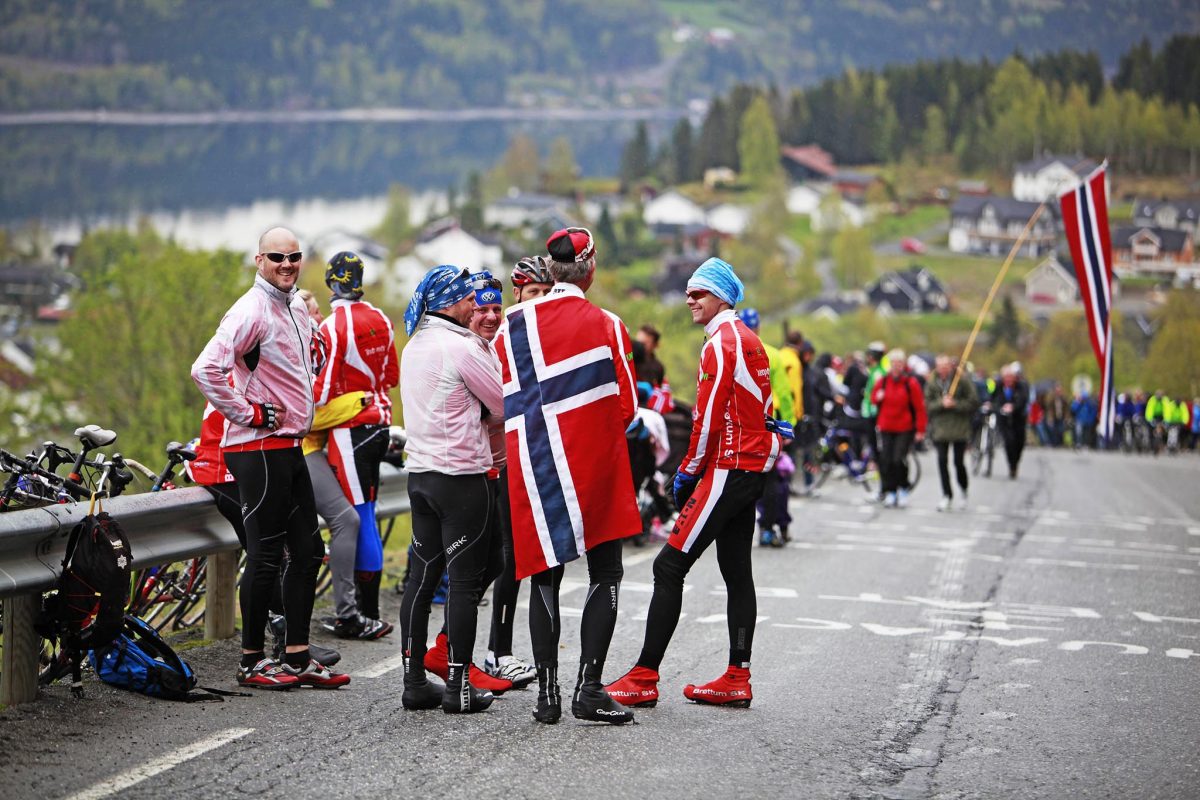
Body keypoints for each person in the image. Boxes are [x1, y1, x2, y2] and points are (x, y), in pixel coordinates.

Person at [605, 257, 788, 710]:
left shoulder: (720, 342)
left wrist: (687, 471)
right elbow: (762, 406)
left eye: (699, 292)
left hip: (728, 466)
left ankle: (645, 676)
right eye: (688, 291)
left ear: (722, 297)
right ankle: (736, 676)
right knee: (736, 571)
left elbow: (706, 417)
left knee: (668, 567)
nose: (690, 298)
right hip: (750, 467)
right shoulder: (748, 338)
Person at [494, 226, 642, 725]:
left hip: (536, 468)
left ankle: (548, 695)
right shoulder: (608, 323)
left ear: (550, 271)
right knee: (606, 573)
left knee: (545, 577)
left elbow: (502, 403)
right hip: (595, 466)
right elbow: (627, 406)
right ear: (591, 268)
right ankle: (590, 688)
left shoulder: (511, 325)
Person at [191, 227, 349, 690]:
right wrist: (250, 412)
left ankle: (297, 656)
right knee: (264, 557)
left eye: (295, 256)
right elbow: (206, 369)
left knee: (307, 549)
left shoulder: (296, 305)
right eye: (277, 257)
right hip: (256, 447)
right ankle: (252, 661)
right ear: (259, 260)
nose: (287, 263)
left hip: (289, 445)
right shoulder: (252, 309)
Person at [398, 264, 504, 714]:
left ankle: (414, 681)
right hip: (461, 478)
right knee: (462, 585)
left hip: (419, 476)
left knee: (420, 580)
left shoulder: (415, 344)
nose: (473, 306)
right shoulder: (461, 347)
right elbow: (503, 404)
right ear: (451, 303)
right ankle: (459, 688)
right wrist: (480, 416)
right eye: (467, 299)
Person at [312, 252, 398, 639]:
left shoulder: (333, 326)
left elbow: (323, 389)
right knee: (368, 512)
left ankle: (362, 613)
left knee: (357, 516)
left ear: (332, 282)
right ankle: (368, 610)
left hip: (350, 430)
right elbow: (391, 374)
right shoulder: (380, 318)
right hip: (381, 424)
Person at [737, 308, 795, 546]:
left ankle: (742, 530)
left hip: (741, 425)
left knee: (742, 479)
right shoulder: (772, 354)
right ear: (759, 328)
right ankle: (770, 527)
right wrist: (790, 426)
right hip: (769, 424)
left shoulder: (732, 351)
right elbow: (784, 393)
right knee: (771, 478)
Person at [871, 348, 927, 508]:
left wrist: (920, 430)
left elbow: (919, 408)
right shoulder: (883, 381)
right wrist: (878, 397)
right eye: (894, 363)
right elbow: (873, 398)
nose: (896, 366)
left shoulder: (911, 383)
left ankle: (903, 488)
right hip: (886, 426)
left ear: (904, 365)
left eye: (899, 363)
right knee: (886, 460)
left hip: (904, 427)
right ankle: (890, 491)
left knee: (898, 459)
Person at [924, 355, 977, 511]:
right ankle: (947, 495)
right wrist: (941, 403)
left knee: (958, 462)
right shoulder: (932, 383)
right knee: (942, 462)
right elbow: (928, 405)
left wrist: (955, 404)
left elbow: (973, 402)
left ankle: (963, 488)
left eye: (946, 365)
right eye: (940, 366)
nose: (944, 369)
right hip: (940, 429)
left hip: (959, 429)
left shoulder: (962, 381)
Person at [992, 365, 1030, 478]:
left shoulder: (1022, 386)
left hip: (1018, 418)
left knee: (1019, 442)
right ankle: (1011, 465)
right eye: (1006, 377)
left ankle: (1015, 462)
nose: (1008, 380)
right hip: (1003, 418)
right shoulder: (998, 386)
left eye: (1010, 377)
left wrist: (1013, 407)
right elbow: (993, 398)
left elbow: (1023, 400)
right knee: (1009, 441)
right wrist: (999, 408)